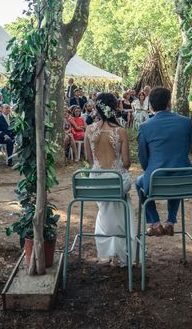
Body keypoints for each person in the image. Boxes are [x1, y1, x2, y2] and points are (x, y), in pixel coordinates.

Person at [84, 93, 137, 265]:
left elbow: (89, 159)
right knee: (122, 203)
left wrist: (100, 170)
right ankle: (122, 251)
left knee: (106, 209)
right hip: (117, 180)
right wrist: (117, 167)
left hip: (97, 181)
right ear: (114, 108)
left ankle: (107, 251)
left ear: (97, 108)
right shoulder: (120, 130)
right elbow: (127, 163)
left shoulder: (89, 130)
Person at [137, 87, 192, 236]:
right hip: (185, 181)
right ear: (169, 103)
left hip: (156, 180)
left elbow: (143, 157)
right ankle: (170, 222)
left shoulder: (144, 127)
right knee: (176, 177)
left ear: (151, 106)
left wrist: (149, 170)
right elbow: (187, 149)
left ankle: (155, 223)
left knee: (139, 182)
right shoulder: (186, 122)